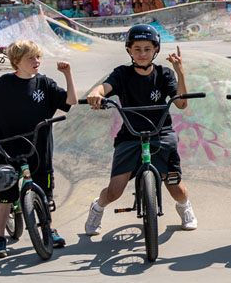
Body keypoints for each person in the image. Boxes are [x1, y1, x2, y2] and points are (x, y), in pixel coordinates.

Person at [83, 26, 198, 235]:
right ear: (129, 50)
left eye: (147, 49)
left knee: (178, 191)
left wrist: (180, 72)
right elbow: (105, 87)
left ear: (156, 50)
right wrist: (95, 93)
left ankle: (184, 207)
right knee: (114, 191)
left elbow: (181, 104)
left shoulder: (164, 74)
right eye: (137, 49)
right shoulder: (122, 74)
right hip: (130, 136)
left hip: (161, 134)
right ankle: (97, 208)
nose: (142, 54)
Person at [0, 40, 76, 257]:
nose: (36, 61)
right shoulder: (1, 84)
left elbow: (70, 100)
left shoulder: (45, 84)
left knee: (45, 194)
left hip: (39, 149)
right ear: (16, 62)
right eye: (30, 57)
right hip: (6, 149)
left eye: (38, 56)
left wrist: (67, 74)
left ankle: (48, 227)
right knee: (5, 196)